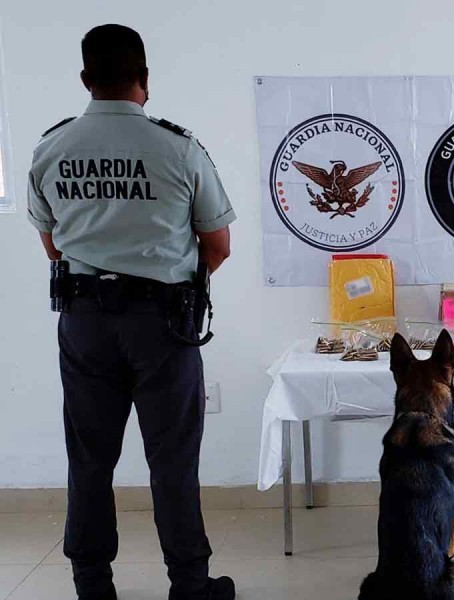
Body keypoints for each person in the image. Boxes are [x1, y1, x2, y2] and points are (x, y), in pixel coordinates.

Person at [27, 24, 237, 600]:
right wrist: (169, 288)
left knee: (89, 458)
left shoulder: (52, 148)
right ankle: (190, 586)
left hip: (83, 321)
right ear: (145, 77)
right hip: (163, 324)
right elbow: (218, 246)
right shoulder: (179, 148)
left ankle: (92, 585)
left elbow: (54, 246)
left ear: (85, 79)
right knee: (173, 460)